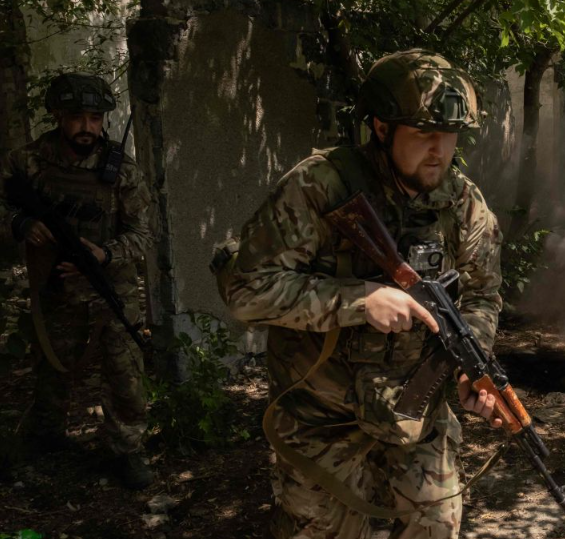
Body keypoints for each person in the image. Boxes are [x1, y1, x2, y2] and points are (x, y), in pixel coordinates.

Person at [216, 49, 504, 538]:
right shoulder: (320, 186)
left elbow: (482, 296)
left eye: (450, 133)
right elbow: (247, 290)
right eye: (423, 133)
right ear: (381, 128)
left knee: (436, 527)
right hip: (321, 416)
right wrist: (359, 301)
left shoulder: (461, 203)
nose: (439, 149)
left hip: (415, 411)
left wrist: (467, 367)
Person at [0, 73, 154, 489]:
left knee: (124, 372)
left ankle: (127, 450)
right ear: (57, 116)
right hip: (54, 283)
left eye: (95, 118)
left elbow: (143, 234)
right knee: (50, 366)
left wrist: (104, 255)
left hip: (111, 286)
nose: (87, 127)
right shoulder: (27, 162)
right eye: (76, 117)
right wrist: (21, 224)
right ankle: (45, 436)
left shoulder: (122, 171)